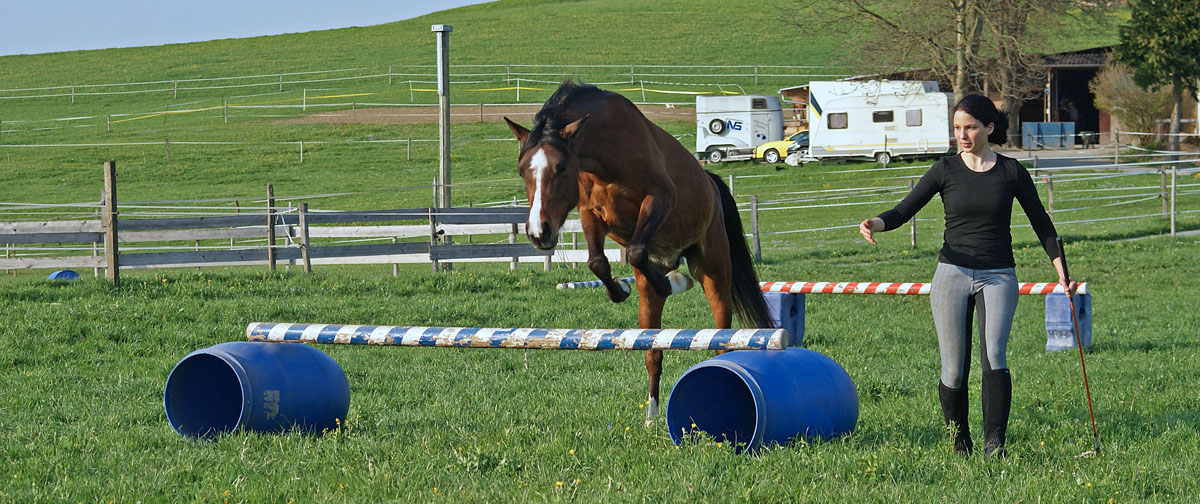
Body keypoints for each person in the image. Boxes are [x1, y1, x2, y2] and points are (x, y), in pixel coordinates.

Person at [858, 94, 1078, 458]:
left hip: (998, 276)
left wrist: (1062, 274)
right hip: (951, 275)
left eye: (970, 127)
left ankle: (995, 443)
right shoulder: (944, 170)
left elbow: (1042, 223)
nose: (962, 135)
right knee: (954, 369)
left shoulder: (1011, 172)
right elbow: (903, 210)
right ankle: (960, 442)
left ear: (989, 128)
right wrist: (875, 223)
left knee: (995, 355)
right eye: (957, 128)